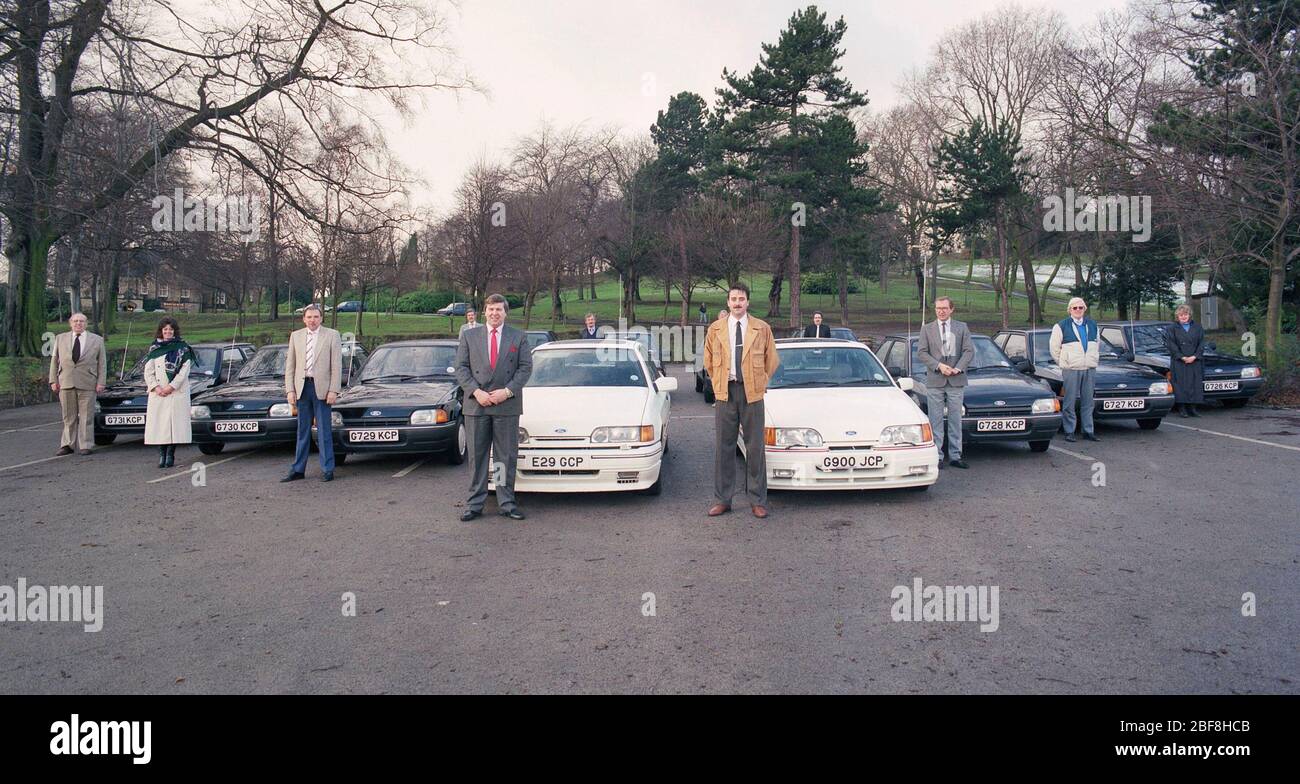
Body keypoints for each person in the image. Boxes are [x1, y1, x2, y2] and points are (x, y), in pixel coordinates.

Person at [703, 282, 780, 519]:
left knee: (755, 446)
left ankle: (757, 500)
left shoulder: (762, 328)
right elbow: (708, 360)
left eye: (741, 299)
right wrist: (718, 382)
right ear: (728, 302)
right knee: (724, 447)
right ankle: (722, 499)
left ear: (748, 302)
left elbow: (772, 360)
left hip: (753, 393)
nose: (737, 303)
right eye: (733, 299)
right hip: (726, 393)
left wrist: (760, 381)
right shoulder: (715, 329)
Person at [455, 293, 533, 521]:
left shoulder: (518, 337)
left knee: (503, 458)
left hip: (506, 406)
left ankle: (506, 502)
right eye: (491, 310)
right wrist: (476, 392)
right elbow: (460, 368)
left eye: (499, 310)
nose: (494, 313)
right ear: (484, 312)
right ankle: (474, 504)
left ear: (505, 313)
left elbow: (525, 368)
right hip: (476, 405)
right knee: (477, 458)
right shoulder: (469, 336)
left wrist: (506, 392)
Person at [282, 305, 343, 482]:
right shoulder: (296, 336)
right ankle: (298, 469)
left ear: (321, 318)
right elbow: (290, 367)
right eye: (309, 317)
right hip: (302, 388)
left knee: (324, 430)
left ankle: (327, 469)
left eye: (316, 317)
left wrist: (333, 390)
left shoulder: (332, 335)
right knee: (302, 431)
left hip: (322, 389)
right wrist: (290, 390)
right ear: (304, 319)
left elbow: (336, 366)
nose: (312, 320)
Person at [917, 297, 974, 468]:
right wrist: (939, 366)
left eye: (944, 308)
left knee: (955, 419)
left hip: (956, 380)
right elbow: (922, 352)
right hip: (935, 380)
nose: (941, 311)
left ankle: (956, 455)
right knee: (936, 420)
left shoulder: (961, 327)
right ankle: (938, 456)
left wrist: (958, 368)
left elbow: (968, 351)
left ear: (951, 309)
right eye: (938, 308)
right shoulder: (927, 329)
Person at [48, 312, 106, 456]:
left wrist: (101, 382)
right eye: (75, 321)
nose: (78, 323)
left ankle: (86, 444)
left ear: (86, 324)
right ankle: (67, 444)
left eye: (81, 321)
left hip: (88, 383)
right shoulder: (60, 338)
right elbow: (54, 361)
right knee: (68, 416)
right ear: (70, 323)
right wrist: (53, 380)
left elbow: (102, 364)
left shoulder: (97, 340)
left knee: (87, 416)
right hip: (66, 382)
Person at [143, 317, 196, 468]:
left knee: (174, 426)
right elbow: (148, 372)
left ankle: (171, 455)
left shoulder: (183, 348)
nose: (167, 332)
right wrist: (156, 387)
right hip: (158, 394)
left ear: (174, 331)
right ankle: (161, 454)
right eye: (165, 330)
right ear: (161, 331)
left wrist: (171, 387)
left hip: (176, 393)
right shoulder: (154, 348)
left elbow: (184, 372)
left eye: (170, 330)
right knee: (160, 425)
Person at [1050, 297, 1101, 443]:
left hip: (1089, 368)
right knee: (1069, 401)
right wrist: (1063, 363)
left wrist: (1092, 358)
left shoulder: (1092, 325)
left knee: (1088, 401)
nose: (1078, 310)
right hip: (1071, 369)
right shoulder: (1061, 326)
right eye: (1075, 308)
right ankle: (1069, 431)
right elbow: (1054, 348)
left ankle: (1088, 430)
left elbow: (1097, 343)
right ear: (1069, 310)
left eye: (1081, 307)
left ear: (1084, 309)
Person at [1166, 304, 1205, 417]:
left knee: (1194, 384)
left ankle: (1193, 408)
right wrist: (1181, 357)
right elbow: (1171, 344)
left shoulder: (1198, 327)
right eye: (1181, 315)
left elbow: (1201, 343)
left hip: (1195, 360)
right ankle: (1182, 409)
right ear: (1177, 316)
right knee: (1180, 385)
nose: (1183, 317)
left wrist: (1195, 356)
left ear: (1189, 315)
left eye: (1186, 314)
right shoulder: (1172, 328)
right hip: (1179, 361)